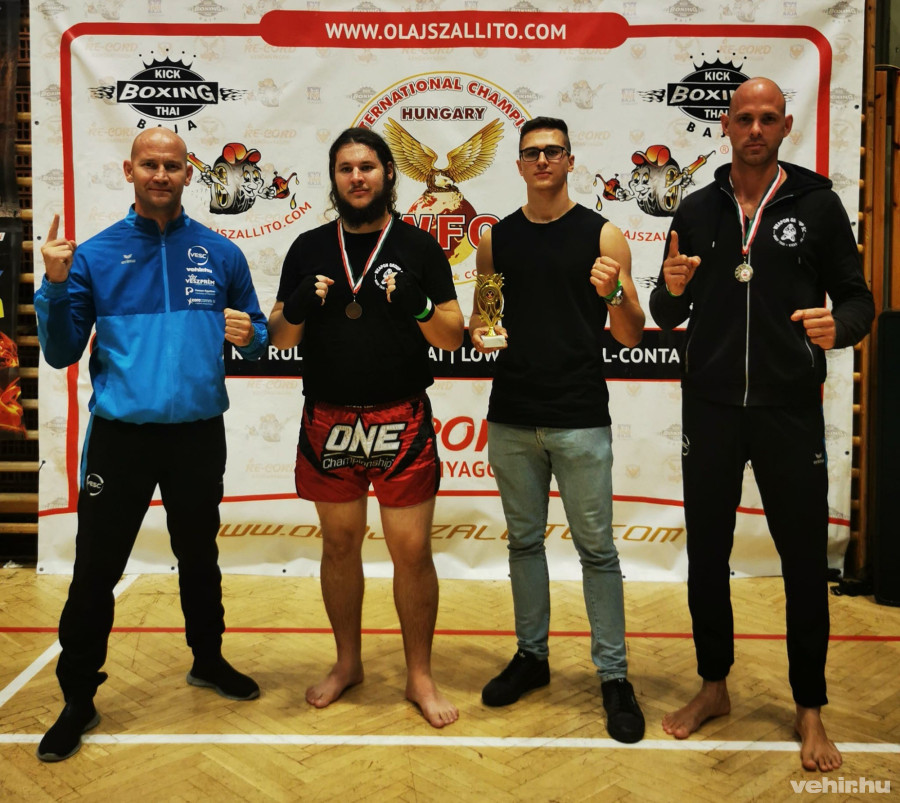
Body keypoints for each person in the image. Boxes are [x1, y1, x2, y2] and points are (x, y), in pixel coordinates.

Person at [649, 77, 875, 772]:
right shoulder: (695, 207)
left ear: (785, 126)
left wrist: (841, 328)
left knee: (803, 562)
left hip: (788, 410)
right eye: (743, 117)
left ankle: (809, 707)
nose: (755, 129)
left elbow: (858, 300)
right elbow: (665, 310)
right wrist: (671, 289)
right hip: (711, 409)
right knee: (707, 556)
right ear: (724, 124)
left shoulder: (818, 204)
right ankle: (713, 684)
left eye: (767, 118)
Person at [34, 128, 268, 762]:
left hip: (197, 434)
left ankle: (208, 660)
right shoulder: (94, 256)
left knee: (199, 556)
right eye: (149, 164)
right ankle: (78, 698)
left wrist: (250, 334)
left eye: (172, 165)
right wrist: (53, 284)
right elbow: (60, 352)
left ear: (190, 173)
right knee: (96, 569)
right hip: (122, 439)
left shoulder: (221, 253)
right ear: (129, 171)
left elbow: (257, 333)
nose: (160, 174)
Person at [268, 127, 464, 728]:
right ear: (334, 178)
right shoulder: (307, 247)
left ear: (388, 174)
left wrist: (420, 304)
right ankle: (348, 663)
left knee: (412, 551)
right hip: (328, 416)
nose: (357, 177)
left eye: (368, 167)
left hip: (399, 416)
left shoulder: (419, 245)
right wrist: (297, 306)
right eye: (346, 168)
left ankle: (419, 675)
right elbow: (280, 336)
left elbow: (451, 337)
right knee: (338, 546)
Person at [469, 116, 646, 744]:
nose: (542, 160)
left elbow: (630, 333)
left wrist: (615, 293)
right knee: (523, 544)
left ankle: (614, 676)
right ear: (519, 165)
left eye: (553, 151)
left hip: (579, 417)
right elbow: (482, 322)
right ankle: (532, 657)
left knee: (597, 551)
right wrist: (484, 331)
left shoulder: (604, 234)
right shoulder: (495, 240)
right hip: (513, 414)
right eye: (531, 153)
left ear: (571, 160)